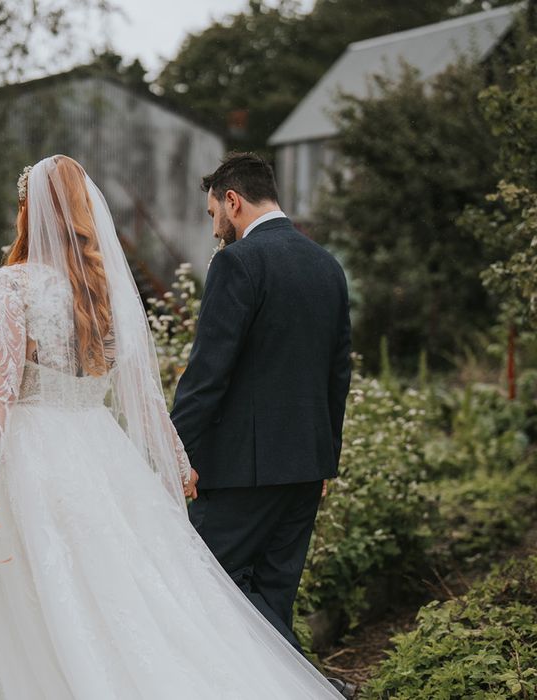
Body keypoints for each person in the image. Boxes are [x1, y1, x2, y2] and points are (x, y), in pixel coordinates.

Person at [0, 154, 342, 699]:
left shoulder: (12, 285)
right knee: (125, 592)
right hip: (100, 450)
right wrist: (177, 460)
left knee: (44, 590)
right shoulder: (106, 289)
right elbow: (145, 396)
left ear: (30, 212)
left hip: (33, 457)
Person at [171, 152, 353, 696]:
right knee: (271, 598)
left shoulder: (239, 263)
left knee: (203, 582)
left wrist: (174, 451)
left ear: (233, 200)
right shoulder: (327, 265)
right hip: (306, 466)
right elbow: (337, 373)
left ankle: (315, 689)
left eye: (212, 214)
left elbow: (208, 373)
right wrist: (327, 460)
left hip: (240, 472)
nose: (213, 227)